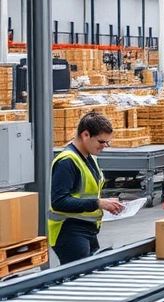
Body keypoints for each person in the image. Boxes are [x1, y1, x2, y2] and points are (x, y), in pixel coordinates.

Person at [49, 112, 125, 265]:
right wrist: (97, 203)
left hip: (87, 228)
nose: (105, 146)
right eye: (101, 141)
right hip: (69, 230)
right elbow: (59, 201)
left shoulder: (89, 158)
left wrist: (106, 202)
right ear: (85, 134)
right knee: (78, 279)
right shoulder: (67, 162)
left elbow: (86, 193)